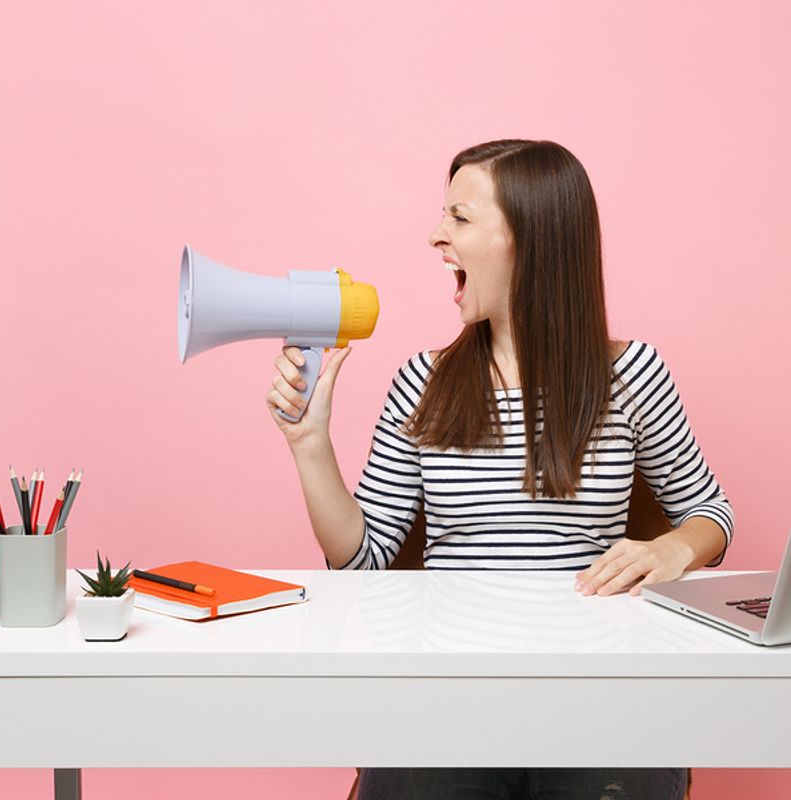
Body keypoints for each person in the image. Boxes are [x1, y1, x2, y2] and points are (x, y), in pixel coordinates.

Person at [266, 139, 734, 800]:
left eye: (460, 218)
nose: (436, 235)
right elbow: (363, 561)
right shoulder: (422, 383)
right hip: (450, 698)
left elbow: (710, 513)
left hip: (600, 697)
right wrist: (309, 442)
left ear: (530, 240)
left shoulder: (631, 375)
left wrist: (673, 547)